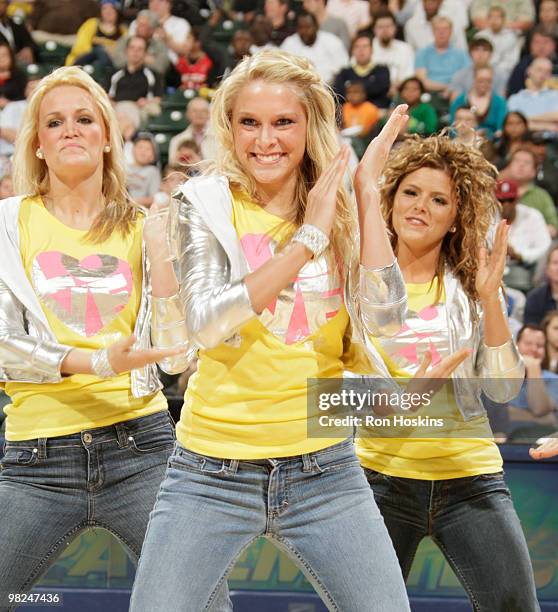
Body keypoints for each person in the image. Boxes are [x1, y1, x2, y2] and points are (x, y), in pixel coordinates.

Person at [129, 49, 418, 612]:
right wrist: (305, 240)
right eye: (250, 123)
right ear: (228, 128)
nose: (266, 140)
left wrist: (363, 194)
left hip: (325, 469)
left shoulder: (340, 207)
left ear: (310, 126)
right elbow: (209, 324)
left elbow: (387, 318)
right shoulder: (203, 202)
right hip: (211, 471)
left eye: (283, 122)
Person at [0, 66, 188, 605]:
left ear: (107, 137)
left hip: (142, 446)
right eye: (54, 122)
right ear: (36, 144)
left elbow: (175, 354)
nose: (70, 130)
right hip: (38, 455)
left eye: (85, 119)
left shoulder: (142, 222)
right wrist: (97, 361)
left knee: (197, 602)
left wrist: (162, 254)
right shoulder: (9, 223)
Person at [354, 134, 540, 612]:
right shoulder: (353, 283)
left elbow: (503, 389)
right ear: (391, 198)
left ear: (457, 216)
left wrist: (491, 298)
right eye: (411, 192)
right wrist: (393, 401)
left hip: (471, 480)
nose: (421, 207)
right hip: (379, 480)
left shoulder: (470, 287)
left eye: (440, 200)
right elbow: (329, 397)